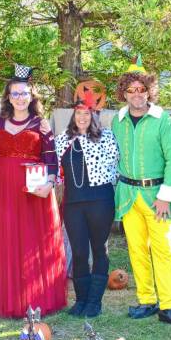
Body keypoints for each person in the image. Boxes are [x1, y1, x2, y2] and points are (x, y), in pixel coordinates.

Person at [0, 64, 67, 318]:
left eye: (24, 93)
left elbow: (52, 158)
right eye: (15, 93)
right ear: (8, 97)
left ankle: (35, 298)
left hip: (34, 190)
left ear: (32, 96)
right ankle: (8, 298)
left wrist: (50, 184)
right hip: (3, 187)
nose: (19, 98)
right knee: (6, 240)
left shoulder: (41, 124)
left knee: (31, 241)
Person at [112, 57, 171, 326]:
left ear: (149, 91)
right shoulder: (117, 121)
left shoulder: (162, 120)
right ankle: (146, 299)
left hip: (157, 197)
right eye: (131, 90)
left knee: (163, 251)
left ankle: (168, 305)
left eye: (141, 89)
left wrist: (165, 196)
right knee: (136, 250)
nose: (136, 95)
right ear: (124, 93)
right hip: (129, 196)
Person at [55, 90, 119, 317]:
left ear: (94, 116)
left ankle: (94, 302)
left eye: (87, 113)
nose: (82, 117)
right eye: (79, 113)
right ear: (74, 115)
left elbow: (117, 168)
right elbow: (54, 170)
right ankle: (81, 300)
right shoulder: (62, 139)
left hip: (100, 200)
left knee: (98, 249)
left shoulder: (107, 136)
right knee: (80, 252)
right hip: (73, 203)